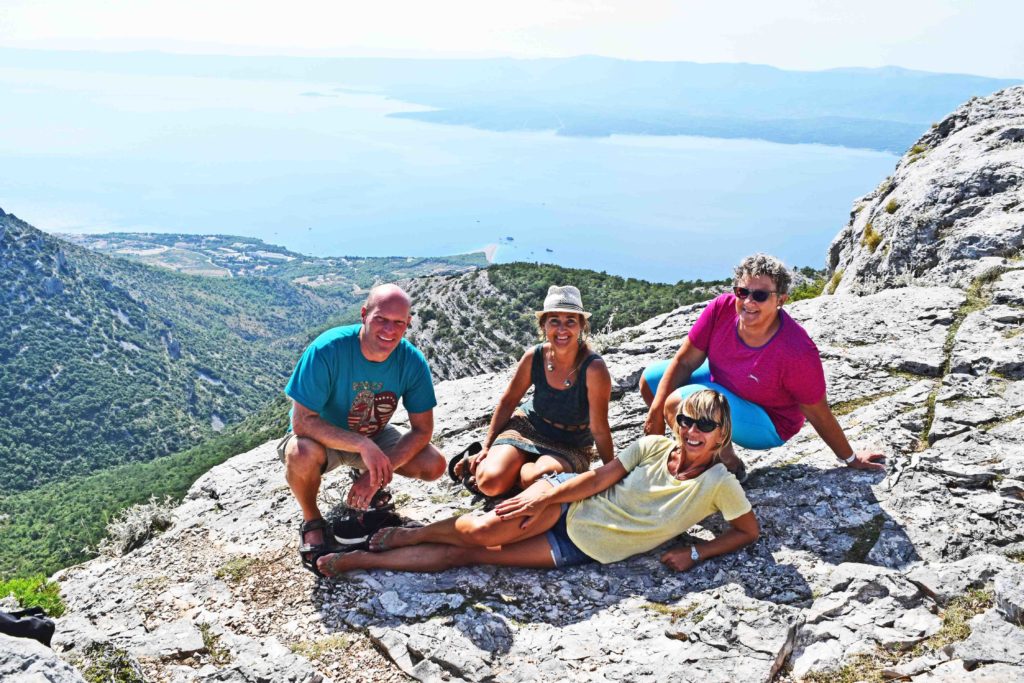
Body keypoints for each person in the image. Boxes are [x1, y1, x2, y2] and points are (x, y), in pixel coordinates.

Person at [313, 389, 758, 576]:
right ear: (676, 423)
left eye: (706, 425)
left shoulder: (719, 484)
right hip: (566, 501)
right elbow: (595, 479)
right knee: (486, 528)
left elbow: (746, 532)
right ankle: (411, 533)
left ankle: (362, 563)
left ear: (722, 434)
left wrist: (697, 551)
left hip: (585, 546)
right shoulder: (652, 448)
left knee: (470, 555)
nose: (694, 431)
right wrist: (541, 495)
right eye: (687, 421)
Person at [641, 253, 886, 478]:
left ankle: (726, 464)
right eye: (742, 292)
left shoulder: (795, 350)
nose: (748, 301)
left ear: (780, 300)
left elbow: (818, 413)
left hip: (766, 420)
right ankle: (702, 447)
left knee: (681, 402)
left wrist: (851, 458)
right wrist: (655, 413)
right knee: (651, 381)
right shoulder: (721, 310)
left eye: (760, 295)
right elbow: (684, 361)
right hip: (726, 384)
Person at [278, 283, 446, 576]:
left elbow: (422, 430)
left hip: (374, 434)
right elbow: (302, 421)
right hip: (323, 436)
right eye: (381, 319)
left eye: (398, 323)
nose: (389, 330)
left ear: (408, 324)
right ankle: (312, 520)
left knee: (433, 464)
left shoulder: (411, 362)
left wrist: (376, 474)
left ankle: (363, 478)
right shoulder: (327, 349)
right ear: (364, 314)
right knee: (300, 452)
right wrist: (363, 446)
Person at [451, 285, 613, 500]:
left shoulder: (593, 368)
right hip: (527, 427)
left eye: (570, 321)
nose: (562, 329)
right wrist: (487, 447)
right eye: (554, 320)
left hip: (570, 443)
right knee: (490, 484)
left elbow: (599, 428)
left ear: (582, 326)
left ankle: (513, 470)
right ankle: (486, 463)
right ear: (543, 325)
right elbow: (509, 401)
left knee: (537, 478)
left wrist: (612, 472)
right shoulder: (534, 357)